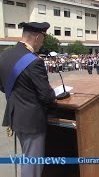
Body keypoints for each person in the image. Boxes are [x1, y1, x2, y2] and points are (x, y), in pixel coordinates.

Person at [0, 22, 56, 177]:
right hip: (32, 121)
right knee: (32, 165)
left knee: (27, 158)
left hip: (15, 116)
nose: (41, 43)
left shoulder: (4, 55)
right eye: (43, 40)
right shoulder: (34, 61)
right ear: (37, 38)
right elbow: (47, 96)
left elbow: (3, 86)